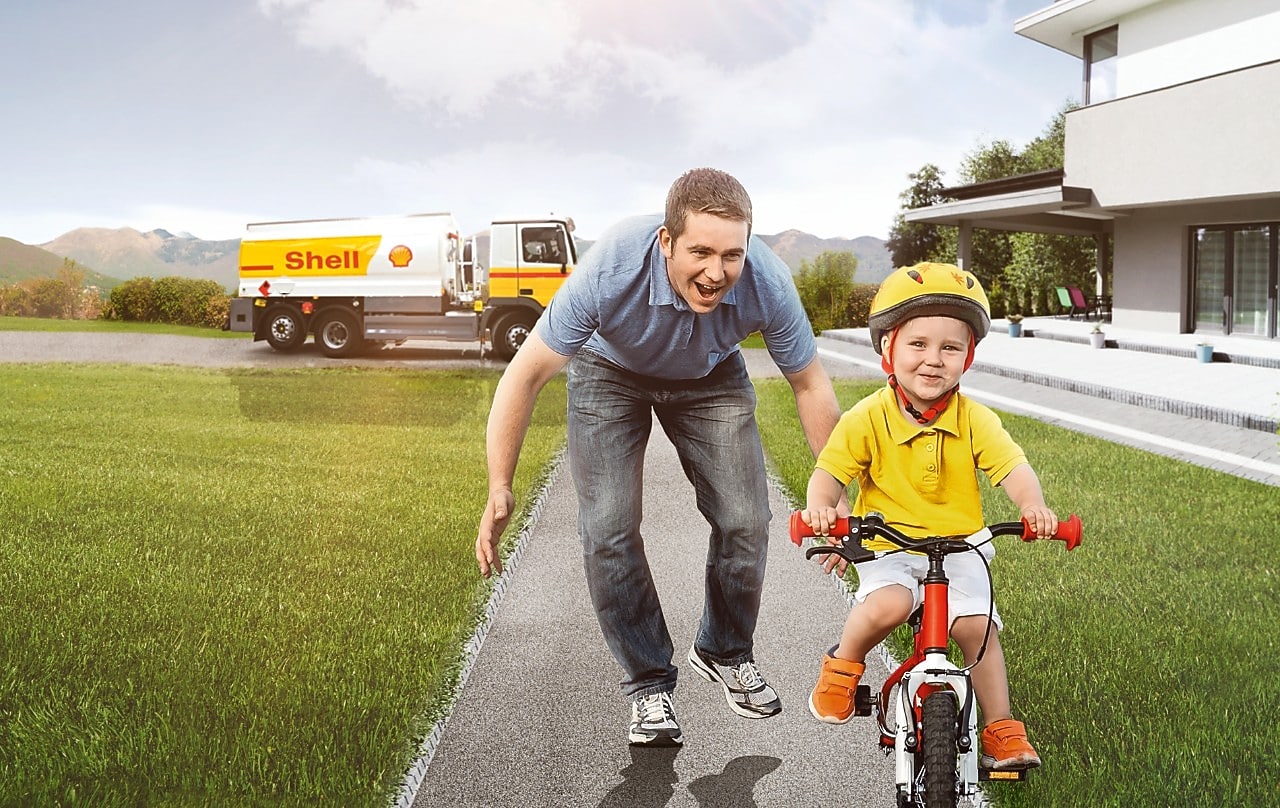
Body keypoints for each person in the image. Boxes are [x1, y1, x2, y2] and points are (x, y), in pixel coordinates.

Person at [475, 167, 845, 747]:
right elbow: (525, 375)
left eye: (731, 255)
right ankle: (650, 684)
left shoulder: (767, 280)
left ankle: (724, 650)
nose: (716, 273)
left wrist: (840, 487)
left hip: (710, 372)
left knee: (747, 518)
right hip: (609, 371)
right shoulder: (612, 268)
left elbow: (811, 385)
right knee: (609, 527)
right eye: (700, 251)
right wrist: (500, 482)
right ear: (666, 242)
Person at [797, 262, 1056, 770]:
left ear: (969, 356)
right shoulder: (868, 417)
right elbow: (830, 471)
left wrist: (1033, 506)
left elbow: (1012, 466)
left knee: (976, 628)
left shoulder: (974, 418)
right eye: (918, 344)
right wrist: (822, 510)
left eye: (950, 347)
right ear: (888, 349)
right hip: (888, 543)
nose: (933, 360)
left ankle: (1002, 729)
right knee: (888, 604)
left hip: (962, 546)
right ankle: (842, 666)